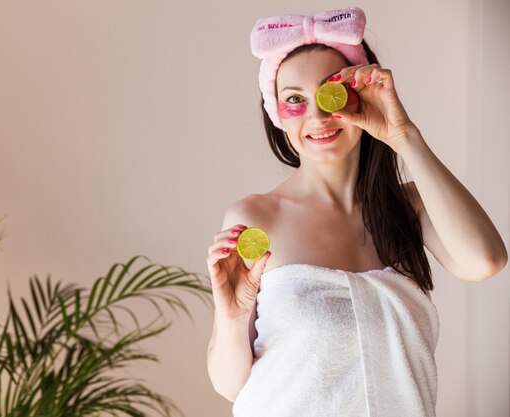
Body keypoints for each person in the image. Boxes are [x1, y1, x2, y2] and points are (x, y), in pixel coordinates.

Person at [205, 6, 507, 417]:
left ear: (361, 95)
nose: (318, 116)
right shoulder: (256, 217)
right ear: (276, 114)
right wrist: (232, 316)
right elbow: (230, 386)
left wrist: (403, 134)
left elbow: (485, 261)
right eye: (294, 99)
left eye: (333, 93)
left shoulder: (410, 206)